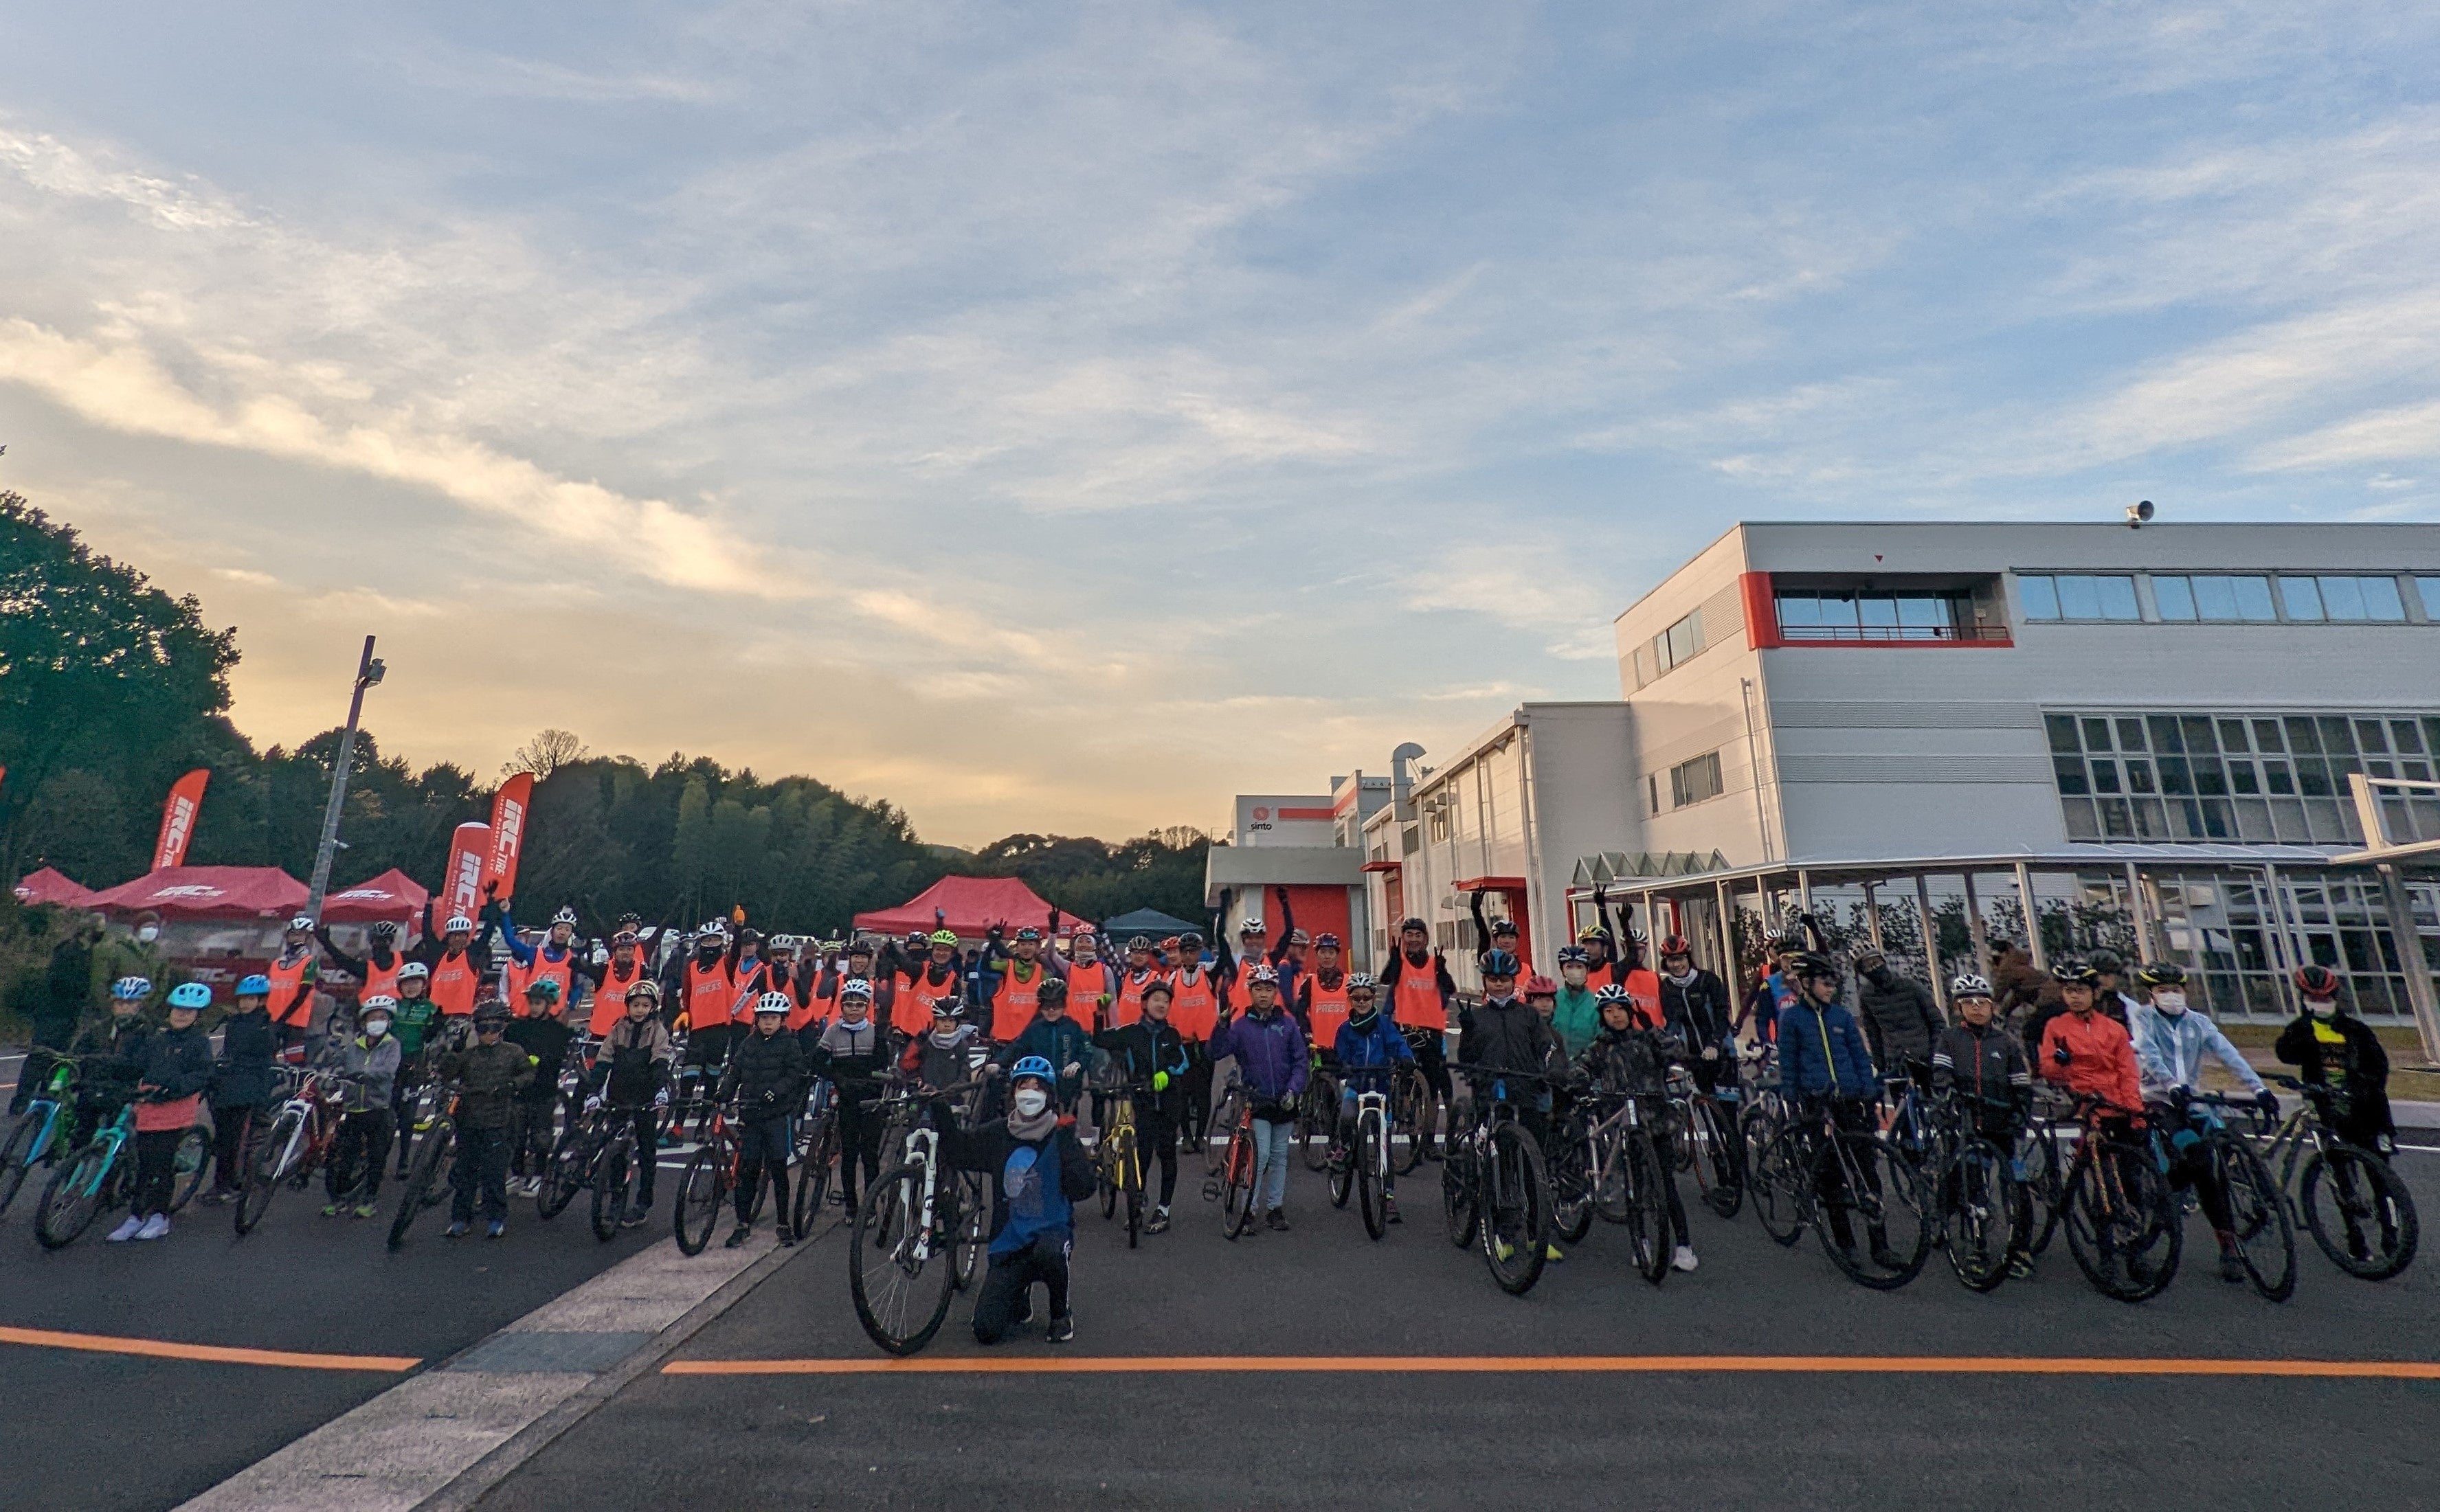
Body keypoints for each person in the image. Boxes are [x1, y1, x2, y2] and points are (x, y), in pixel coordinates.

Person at [2125, 960, 2275, 1283]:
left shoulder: (2199, 1022)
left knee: (2211, 1165)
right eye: (2163, 990)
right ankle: (2166, 1200)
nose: (2171, 995)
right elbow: (2148, 1053)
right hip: (2157, 1100)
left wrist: (2259, 1089)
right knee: (2193, 1156)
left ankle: (2228, 1245)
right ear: (2151, 993)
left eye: (2175, 989)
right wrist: (2170, 1084)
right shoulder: (2143, 1018)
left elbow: (2228, 1054)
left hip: (2191, 1101)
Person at [936, 1056, 1094, 1344]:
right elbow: (960, 1151)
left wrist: (1068, 1146)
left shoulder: (1059, 1132)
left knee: (1050, 1253)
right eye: (1024, 1086)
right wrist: (939, 1109)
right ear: (1013, 1093)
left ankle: (1060, 1313)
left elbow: (1083, 1189)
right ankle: (1019, 1296)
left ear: (1049, 1095)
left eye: (1038, 1086)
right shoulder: (1000, 1132)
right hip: (1010, 1243)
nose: (1030, 1092)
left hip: (1050, 1235)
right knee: (986, 1330)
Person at [1775, 952, 1898, 1270]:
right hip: (1817, 1102)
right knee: (1831, 1175)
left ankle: (1881, 1246)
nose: (1832, 988)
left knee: (1867, 1172)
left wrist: (1869, 1089)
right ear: (1806, 984)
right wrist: (1792, 1095)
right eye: (1826, 983)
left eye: (1834, 983)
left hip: (1851, 1100)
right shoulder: (1793, 1019)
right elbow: (1788, 1061)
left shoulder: (1841, 1017)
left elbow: (1859, 1057)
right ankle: (1846, 1244)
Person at [1574, 984, 1697, 1272]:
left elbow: (1677, 1051)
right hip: (1624, 1125)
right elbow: (1580, 1068)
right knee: (1635, 1185)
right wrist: (1575, 1080)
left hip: (1657, 1120)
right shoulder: (1601, 1047)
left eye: (1621, 1009)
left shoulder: (1647, 1038)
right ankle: (1640, 1240)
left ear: (1631, 1012)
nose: (1616, 1015)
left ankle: (1684, 1245)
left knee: (1666, 1184)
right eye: (1608, 1011)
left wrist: (1653, 1029)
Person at [1455, 949, 1566, 1262]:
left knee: (1533, 1165)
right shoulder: (1478, 1017)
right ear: (1485, 982)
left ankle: (1534, 1235)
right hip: (1491, 1094)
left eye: (1504, 979)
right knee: (1497, 1164)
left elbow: (1547, 1046)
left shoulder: (1528, 1015)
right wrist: (1468, 1032)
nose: (1499, 985)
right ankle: (1500, 1233)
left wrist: (1552, 1068)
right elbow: (1466, 1058)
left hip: (1525, 1092)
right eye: (1493, 979)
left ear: (1513, 981)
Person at [1929, 973, 2036, 1278]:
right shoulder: (1949, 1039)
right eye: (1968, 1003)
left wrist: (2020, 1113)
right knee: (1973, 1187)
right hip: (1967, 1126)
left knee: (2016, 1189)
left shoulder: (2006, 1042)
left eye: (1982, 1002)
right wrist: (1950, 1095)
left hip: (2002, 1126)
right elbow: (1941, 1074)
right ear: (1958, 1008)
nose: (1976, 1008)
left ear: (1992, 1007)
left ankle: (2020, 1249)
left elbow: (2021, 1084)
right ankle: (1977, 1247)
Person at [105, 982, 216, 1243]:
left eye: (188, 1011)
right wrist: (107, 1067)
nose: (181, 1014)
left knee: (162, 1164)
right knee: (144, 1164)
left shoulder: (199, 1042)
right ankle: (135, 1216)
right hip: (150, 1104)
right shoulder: (158, 1038)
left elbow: (202, 1074)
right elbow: (137, 1065)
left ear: (197, 1015)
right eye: (178, 1009)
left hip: (175, 1108)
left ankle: (160, 1217)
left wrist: (175, 1088)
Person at [1203, 965, 1308, 1232]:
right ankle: (1249, 1209)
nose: (1263, 994)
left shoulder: (1287, 1024)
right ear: (1250, 992)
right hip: (1256, 1098)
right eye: (1258, 989)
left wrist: (1294, 1090)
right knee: (1260, 1155)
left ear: (1276, 992)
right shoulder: (1240, 1026)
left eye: (1269, 989)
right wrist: (1221, 1026)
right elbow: (1215, 1052)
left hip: (1284, 1098)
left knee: (1280, 1155)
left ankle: (1275, 1208)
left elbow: (1300, 1061)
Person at [1095, 979, 1191, 1234]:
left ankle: (1164, 1210)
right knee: (1142, 1155)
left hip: (1169, 1102)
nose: (1161, 1004)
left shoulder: (1172, 1035)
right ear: (1144, 1003)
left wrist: (1167, 1074)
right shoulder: (1131, 1033)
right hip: (1142, 1101)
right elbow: (1100, 1040)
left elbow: (1183, 1063)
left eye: (1166, 1001)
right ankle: (1136, 1204)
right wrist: (1100, 1014)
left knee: (1167, 1154)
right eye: (1156, 999)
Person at [434, 1000, 533, 1238]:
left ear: (503, 1028)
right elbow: (446, 1073)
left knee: (494, 1172)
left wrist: (513, 1085)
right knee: (465, 1171)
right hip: (468, 1120)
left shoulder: (513, 1052)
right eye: (483, 1028)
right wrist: (454, 1051)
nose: (489, 1033)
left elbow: (529, 1073)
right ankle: (460, 1218)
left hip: (499, 1121)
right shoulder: (468, 1055)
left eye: (494, 1027)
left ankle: (496, 1217)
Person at [718, 991, 809, 1248]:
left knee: (779, 1169)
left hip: (776, 1115)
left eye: (774, 1018)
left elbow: (796, 1074)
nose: (768, 1022)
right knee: (747, 1170)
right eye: (764, 1018)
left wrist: (777, 1091)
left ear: (783, 1020)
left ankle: (783, 1223)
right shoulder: (749, 1043)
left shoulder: (789, 1044)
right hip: (750, 1114)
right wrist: (723, 1094)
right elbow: (735, 1072)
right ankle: (742, 1223)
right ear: (756, 1019)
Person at [2274, 964, 2395, 1155]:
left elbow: (2378, 1066)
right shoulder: (2301, 1029)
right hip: (2324, 1103)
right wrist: (2301, 1030)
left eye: (2325, 998)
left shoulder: (2356, 1030)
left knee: (2377, 1160)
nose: (2320, 1003)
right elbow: (2286, 1054)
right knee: (2334, 1158)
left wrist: (2363, 1087)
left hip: (2363, 1106)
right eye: (2313, 999)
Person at [588, 980, 675, 1226]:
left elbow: (660, 1062)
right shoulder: (618, 1029)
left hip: (645, 1098)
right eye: (635, 1005)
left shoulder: (658, 1031)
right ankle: (616, 1197)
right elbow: (604, 1060)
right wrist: (593, 1091)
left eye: (645, 1005)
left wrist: (661, 1090)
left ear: (653, 1007)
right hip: (618, 1095)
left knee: (647, 1151)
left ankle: (643, 1203)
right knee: (615, 1150)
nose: (640, 1010)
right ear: (628, 1006)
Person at [1327, 974, 1411, 1224]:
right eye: (1357, 998)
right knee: (1347, 1114)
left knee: (1385, 1143)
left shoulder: (1384, 1025)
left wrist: (1406, 1058)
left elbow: (1398, 1045)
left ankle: (1389, 1195)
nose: (1362, 1002)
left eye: (1366, 997)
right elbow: (1340, 1054)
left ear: (1374, 998)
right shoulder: (1345, 1029)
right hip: (1357, 1085)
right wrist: (1341, 1066)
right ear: (1350, 999)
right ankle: (1344, 1147)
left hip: (1381, 1087)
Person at [809, 978, 888, 1211]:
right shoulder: (833, 1032)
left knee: (870, 1155)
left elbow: (882, 1064)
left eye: (860, 1005)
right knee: (850, 1154)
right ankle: (852, 1206)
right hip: (847, 1099)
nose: (854, 1010)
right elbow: (816, 1062)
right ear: (842, 1006)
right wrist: (836, 1077)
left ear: (867, 1008)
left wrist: (881, 1039)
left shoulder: (873, 1033)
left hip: (871, 1100)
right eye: (849, 1005)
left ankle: (870, 1206)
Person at [320, 995, 402, 1218]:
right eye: (372, 1018)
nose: (377, 1022)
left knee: (377, 1157)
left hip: (378, 1108)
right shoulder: (354, 1046)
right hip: (354, 1108)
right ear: (364, 1023)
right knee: (346, 1156)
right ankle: (339, 1199)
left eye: (382, 1018)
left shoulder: (392, 1045)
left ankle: (370, 1199)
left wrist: (363, 1075)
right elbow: (337, 1061)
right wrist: (329, 1059)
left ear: (389, 1022)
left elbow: (388, 1071)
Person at [201, 973, 279, 1205]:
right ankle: (223, 1182)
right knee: (224, 1137)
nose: (244, 1003)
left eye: (250, 999)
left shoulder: (265, 1027)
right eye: (242, 999)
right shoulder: (234, 1022)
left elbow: (264, 1060)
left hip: (248, 1087)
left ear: (261, 1001)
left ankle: (232, 1184)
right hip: (228, 1083)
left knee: (236, 1139)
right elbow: (229, 1051)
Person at [505, 977, 581, 1195]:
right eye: (532, 1002)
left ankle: (539, 1174)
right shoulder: (518, 1028)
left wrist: (547, 1059)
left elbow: (562, 1055)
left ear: (548, 1005)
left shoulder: (558, 1032)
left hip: (544, 1089)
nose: (534, 1007)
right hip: (520, 1089)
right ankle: (518, 1174)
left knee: (541, 1135)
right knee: (517, 1134)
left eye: (538, 1003)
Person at [2036, 958, 2142, 1112]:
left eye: (2081, 991)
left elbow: (2128, 1074)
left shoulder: (2115, 1029)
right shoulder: (2055, 1027)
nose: (2074, 996)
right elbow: (2048, 1071)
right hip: (2077, 1105)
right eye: (2069, 991)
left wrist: (2135, 1111)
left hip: (2114, 1104)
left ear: (2096, 993)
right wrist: (2059, 1063)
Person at [1380, 917, 1456, 1133]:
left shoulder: (1434, 963)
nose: (1413, 939)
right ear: (1403, 938)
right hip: (1405, 1028)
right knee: (1404, 1076)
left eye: (1418, 935)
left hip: (1432, 1030)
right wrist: (1393, 962)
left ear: (1425, 939)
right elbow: (1385, 980)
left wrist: (1442, 971)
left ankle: (1430, 1137)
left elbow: (1450, 989)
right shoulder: (1400, 963)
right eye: (1409, 934)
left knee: (1433, 1082)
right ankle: (1404, 1116)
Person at [71, 975, 157, 1151]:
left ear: (140, 1006)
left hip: (126, 1089)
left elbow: (145, 1062)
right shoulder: (101, 1028)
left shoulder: (148, 1031)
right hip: (97, 1084)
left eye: (130, 1003)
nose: (124, 1007)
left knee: (121, 1135)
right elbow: (80, 1050)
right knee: (82, 1131)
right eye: (119, 1003)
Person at [996, 976, 1094, 1111]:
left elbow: (1087, 1051)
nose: (1051, 1010)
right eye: (1046, 1005)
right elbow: (1017, 1047)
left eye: (1056, 1005)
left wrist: (1078, 1064)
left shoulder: (1073, 1027)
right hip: (1039, 1091)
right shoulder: (1034, 1028)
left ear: (1064, 1004)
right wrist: (998, 1062)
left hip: (1068, 1090)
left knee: (1067, 1121)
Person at [1165, 931, 1224, 1149]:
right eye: (1185, 951)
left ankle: (1200, 1136)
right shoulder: (1172, 979)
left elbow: (1225, 959)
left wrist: (1220, 928)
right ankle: (1187, 1137)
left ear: (1200, 952)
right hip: (1182, 1044)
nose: (1189, 955)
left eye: (1193, 951)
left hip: (1206, 1043)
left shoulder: (1208, 973)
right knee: (1182, 1091)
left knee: (1203, 1092)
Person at [1656, 936, 1736, 1096]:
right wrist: (1670, 1045)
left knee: (1727, 1105)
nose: (1677, 965)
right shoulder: (1666, 987)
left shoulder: (1708, 980)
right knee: (1703, 1102)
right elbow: (1672, 1021)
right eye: (1671, 960)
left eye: (1680, 959)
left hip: (1721, 1052)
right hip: (1693, 1058)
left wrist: (1714, 1044)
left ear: (1688, 958)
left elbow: (1721, 1016)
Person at [1853, 947, 1945, 1076]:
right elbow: (1873, 1033)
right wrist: (1880, 1065)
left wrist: (1935, 1054)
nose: (1875, 968)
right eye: (1868, 967)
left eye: (1876, 962)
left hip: (1925, 1058)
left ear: (1883, 962)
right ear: (1863, 972)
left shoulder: (1911, 986)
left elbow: (1937, 1022)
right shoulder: (1866, 996)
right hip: (1895, 1062)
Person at [388, 961, 439, 1178]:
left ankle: (403, 1160)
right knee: (386, 1113)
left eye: (416, 982)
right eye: (406, 983)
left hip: (414, 1066)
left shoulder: (430, 1008)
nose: (411, 987)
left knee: (407, 1117)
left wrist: (435, 1031)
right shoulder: (392, 1006)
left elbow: (437, 1041)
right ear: (399, 986)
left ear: (424, 985)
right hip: (389, 1064)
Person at [263, 916, 322, 1054]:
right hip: (272, 1020)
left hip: (296, 1023)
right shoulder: (276, 964)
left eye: (301, 935)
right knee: (267, 1057)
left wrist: (283, 1018)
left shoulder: (311, 963)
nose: (296, 938)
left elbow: (303, 994)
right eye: (293, 934)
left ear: (308, 939)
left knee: (294, 1060)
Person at [315, 918, 410, 1003]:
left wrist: (327, 944)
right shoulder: (367, 968)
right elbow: (345, 962)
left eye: (384, 941)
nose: (381, 946)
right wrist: (327, 944)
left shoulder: (403, 959)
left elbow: (344, 962)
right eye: (378, 941)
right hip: (371, 1013)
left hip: (395, 1012)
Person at [1549, 947, 1602, 1059]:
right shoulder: (1552, 1001)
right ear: (1562, 970)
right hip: (1556, 1066)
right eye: (1569, 967)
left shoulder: (1597, 1003)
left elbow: (1601, 1040)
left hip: (1588, 1065)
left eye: (1579, 967)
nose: (1575, 971)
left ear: (1587, 970)